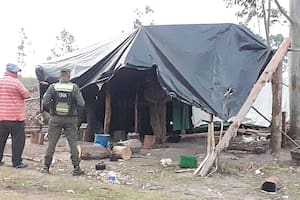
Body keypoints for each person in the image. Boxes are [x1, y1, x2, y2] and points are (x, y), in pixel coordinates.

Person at [40, 68, 85, 176]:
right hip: (70, 119)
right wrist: (74, 110)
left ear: (60, 76)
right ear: (69, 76)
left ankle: (46, 166)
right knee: (73, 143)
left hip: (55, 118)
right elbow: (82, 104)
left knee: (52, 143)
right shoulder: (74, 87)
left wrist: (52, 109)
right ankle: (76, 168)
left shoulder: (53, 87)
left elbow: (45, 102)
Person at [0, 63, 30, 168]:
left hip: (1, 117)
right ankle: (17, 162)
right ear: (14, 72)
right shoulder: (16, 83)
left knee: (1, 139)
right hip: (16, 117)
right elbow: (26, 94)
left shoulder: (1, 81)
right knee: (18, 140)